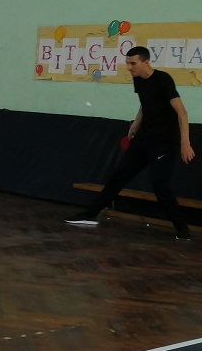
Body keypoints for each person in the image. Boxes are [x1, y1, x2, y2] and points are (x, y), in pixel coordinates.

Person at [66, 46, 195, 240]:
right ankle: (90, 214)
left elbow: (181, 112)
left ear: (145, 62)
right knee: (118, 176)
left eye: (133, 63)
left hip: (164, 142)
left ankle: (182, 230)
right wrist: (136, 122)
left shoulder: (163, 79)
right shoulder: (138, 79)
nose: (129, 67)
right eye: (127, 63)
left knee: (160, 186)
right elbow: (146, 103)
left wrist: (185, 142)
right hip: (144, 138)